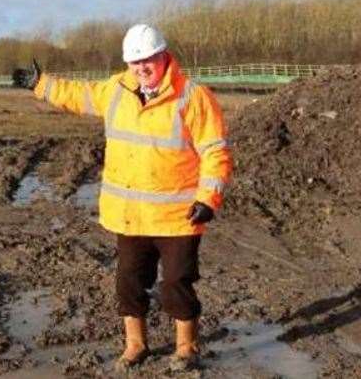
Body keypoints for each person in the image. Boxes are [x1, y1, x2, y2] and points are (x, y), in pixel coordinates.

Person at [13, 23, 232, 369]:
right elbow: (80, 94)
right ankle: (136, 344)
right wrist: (42, 85)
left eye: (148, 59)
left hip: (178, 216)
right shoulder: (117, 89)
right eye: (134, 62)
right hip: (130, 214)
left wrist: (208, 198)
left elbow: (215, 151)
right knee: (128, 283)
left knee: (177, 281)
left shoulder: (192, 96)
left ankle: (186, 348)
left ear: (163, 56)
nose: (142, 67)